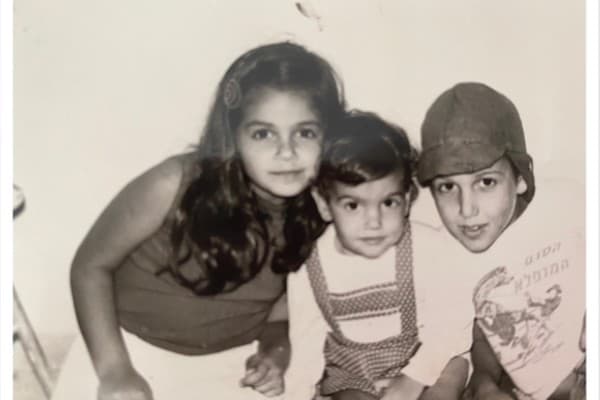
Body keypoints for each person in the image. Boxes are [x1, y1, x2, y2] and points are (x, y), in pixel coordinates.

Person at [51, 41, 346, 400]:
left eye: (305, 132)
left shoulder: (323, 209)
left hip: (232, 364)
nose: (286, 151)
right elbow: (89, 266)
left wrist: (274, 353)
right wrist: (115, 371)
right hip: (127, 348)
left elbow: (280, 313)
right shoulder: (173, 183)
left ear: (328, 138)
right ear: (232, 137)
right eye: (263, 133)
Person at [416, 82, 586, 400]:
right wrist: (484, 381)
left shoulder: (564, 202)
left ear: (521, 177)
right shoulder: (445, 256)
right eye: (447, 187)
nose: (467, 210)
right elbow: (481, 331)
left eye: (486, 182)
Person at [285, 111, 470, 400]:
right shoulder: (309, 265)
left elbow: (453, 323)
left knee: (449, 376)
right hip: (353, 371)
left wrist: (412, 380)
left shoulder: (428, 247)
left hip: (429, 353)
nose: (374, 221)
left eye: (388, 202)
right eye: (353, 205)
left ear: (407, 199)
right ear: (323, 204)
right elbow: (305, 345)